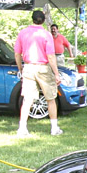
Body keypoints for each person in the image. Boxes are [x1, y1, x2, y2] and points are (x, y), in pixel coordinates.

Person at [14, 9, 61, 137]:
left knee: (27, 100)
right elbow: (50, 56)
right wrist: (56, 73)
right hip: (43, 68)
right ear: (43, 20)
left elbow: (17, 53)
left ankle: (22, 128)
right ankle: (54, 128)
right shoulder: (46, 35)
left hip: (28, 67)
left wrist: (20, 68)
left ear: (32, 19)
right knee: (50, 98)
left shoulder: (23, 33)